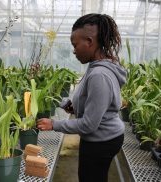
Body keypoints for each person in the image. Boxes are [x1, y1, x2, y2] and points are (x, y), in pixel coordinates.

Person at [36, 13, 126, 182]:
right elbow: (96, 103)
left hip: (101, 141)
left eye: (75, 44)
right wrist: (75, 106)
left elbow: (90, 124)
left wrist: (54, 124)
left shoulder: (99, 75)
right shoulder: (96, 66)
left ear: (89, 42)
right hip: (105, 136)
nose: (73, 50)